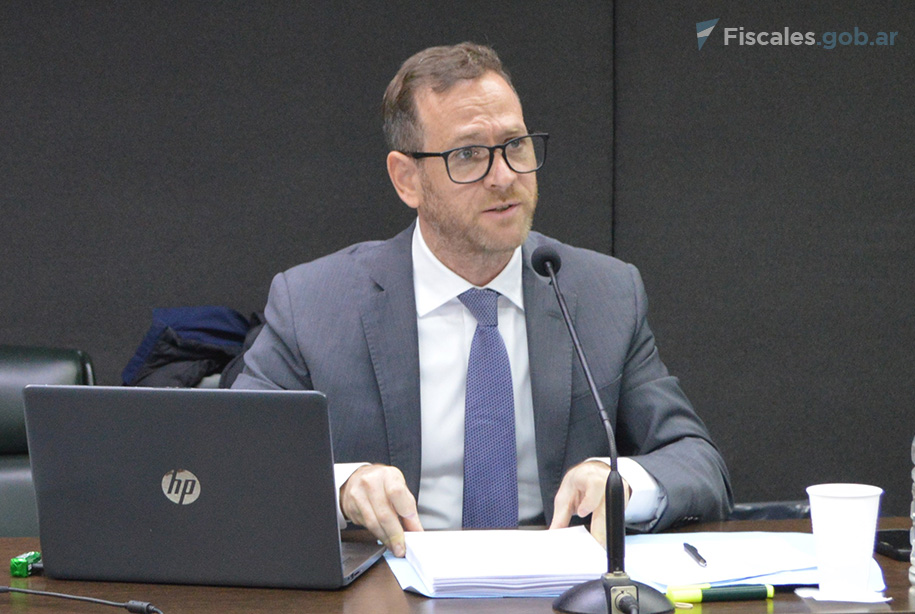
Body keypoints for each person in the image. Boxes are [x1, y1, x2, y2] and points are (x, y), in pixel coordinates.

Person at [233, 42, 732, 557]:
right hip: (389, 589)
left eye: (515, 145)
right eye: (468, 154)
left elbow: (697, 462)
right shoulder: (315, 303)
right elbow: (231, 460)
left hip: (556, 588)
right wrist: (341, 486)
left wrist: (620, 480)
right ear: (407, 179)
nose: (505, 176)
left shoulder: (602, 293)